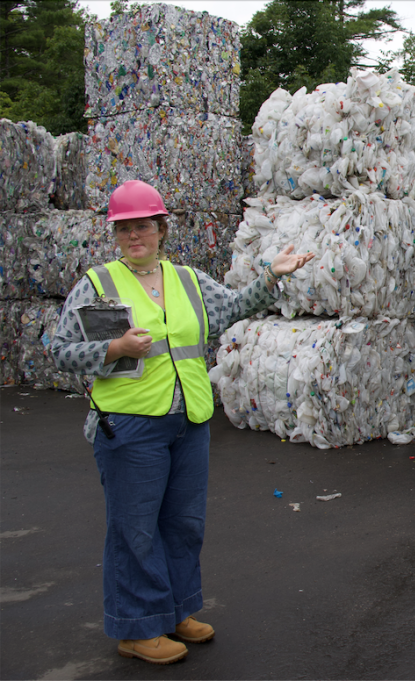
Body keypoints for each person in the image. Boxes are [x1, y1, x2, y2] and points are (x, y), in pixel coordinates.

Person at [50, 180, 314, 665]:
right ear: (115, 233)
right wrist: (114, 348)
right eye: (125, 228)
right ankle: (137, 628)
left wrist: (271, 278)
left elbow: (231, 308)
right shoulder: (99, 285)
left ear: (160, 229)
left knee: (183, 524)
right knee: (136, 530)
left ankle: (175, 611)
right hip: (130, 427)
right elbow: (60, 350)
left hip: (188, 421)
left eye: (144, 226)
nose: (136, 236)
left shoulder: (188, 280)